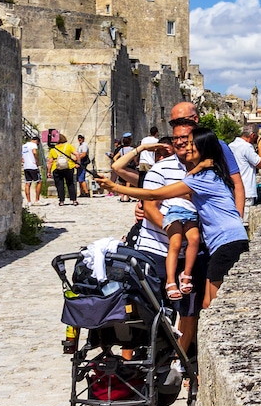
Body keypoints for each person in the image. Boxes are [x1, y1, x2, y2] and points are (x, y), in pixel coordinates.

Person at [103, 125, 248, 355]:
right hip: (226, 242)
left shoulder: (203, 178)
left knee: (213, 306)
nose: (187, 147)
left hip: (226, 243)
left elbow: (154, 195)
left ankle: (215, 357)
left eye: (192, 144)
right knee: (210, 304)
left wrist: (115, 187)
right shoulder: (211, 173)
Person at [228, 123, 261, 211]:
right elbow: (260, 164)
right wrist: (260, 146)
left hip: (233, 190)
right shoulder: (246, 147)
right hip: (247, 191)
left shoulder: (231, 145)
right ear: (252, 135)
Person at [47, 132, 79, 205]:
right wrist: (77, 163)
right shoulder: (68, 146)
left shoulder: (53, 149)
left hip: (57, 168)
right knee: (70, 183)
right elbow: (77, 154)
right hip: (68, 167)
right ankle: (74, 200)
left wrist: (48, 172)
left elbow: (50, 162)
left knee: (59, 185)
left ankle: (61, 201)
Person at [21, 136, 41, 203]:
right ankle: (37, 200)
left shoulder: (24, 146)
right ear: (36, 141)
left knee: (28, 183)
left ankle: (29, 201)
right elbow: (34, 152)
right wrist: (37, 161)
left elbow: (21, 157)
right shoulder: (33, 145)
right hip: (33, 166)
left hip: (26, 166)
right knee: (39, 182)